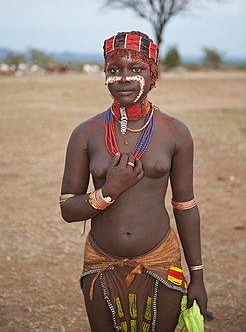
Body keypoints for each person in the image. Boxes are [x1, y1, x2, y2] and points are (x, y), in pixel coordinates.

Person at [60, 31, 207, 332]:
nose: (123, 78)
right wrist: (107, 192)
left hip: (161, 260)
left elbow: (185, 207)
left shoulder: (175, 132)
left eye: (136, 69)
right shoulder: (86, 133)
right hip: (100, 263)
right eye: (114, 70)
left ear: (153, 75)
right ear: (104, 75)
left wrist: (198, 277)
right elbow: (68, 209)